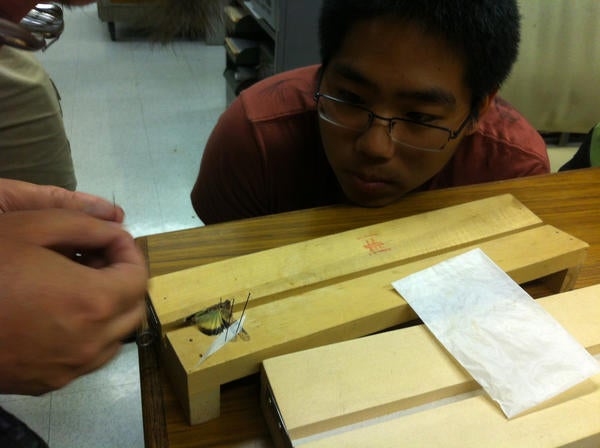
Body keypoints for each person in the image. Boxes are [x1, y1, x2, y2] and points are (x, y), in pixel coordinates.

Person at [191, 0, 550, 225]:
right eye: (349, 97)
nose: (375, 147)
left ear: (480, 109)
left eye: (419, 117)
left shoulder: (511, 174)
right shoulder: (255, 142)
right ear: (322, 70)